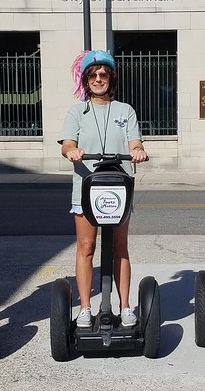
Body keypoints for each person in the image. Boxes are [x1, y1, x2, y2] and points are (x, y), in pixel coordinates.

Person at [58, 50, 148, 328]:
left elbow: (134, 143)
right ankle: (85, 307)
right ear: (86, 80)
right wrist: (72, 151)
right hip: (86, 188)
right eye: (93, 75)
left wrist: (138, 150)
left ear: (111, 78)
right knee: (86, 247)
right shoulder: (77, 111)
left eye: (103, 74)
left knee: (120, 248)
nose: (99, 79)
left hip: (118, 188)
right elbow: (66, 144)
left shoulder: (125, 110)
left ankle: (124, 306)